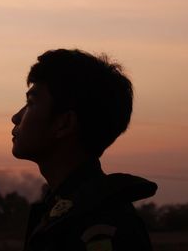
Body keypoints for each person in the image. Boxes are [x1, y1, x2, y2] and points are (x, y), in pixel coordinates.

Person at [11, 49, 157, 251]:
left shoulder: (99, 225)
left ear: (64, 124)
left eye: (30, 103)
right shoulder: (65, 213)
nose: (16, 117)